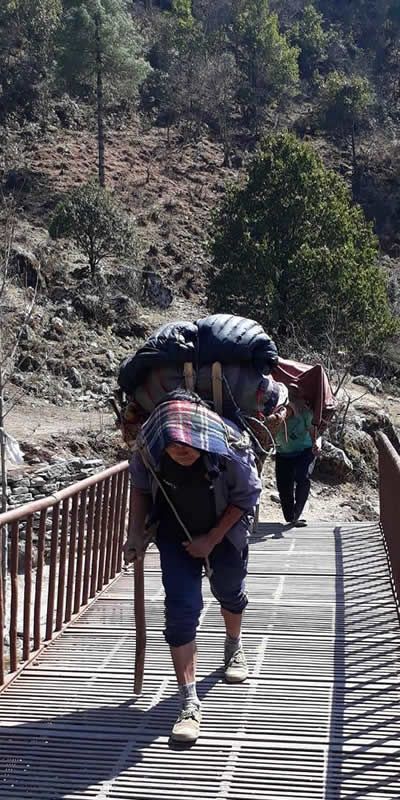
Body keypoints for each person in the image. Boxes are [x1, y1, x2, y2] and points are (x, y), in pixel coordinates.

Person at [123, 391, 261, 744]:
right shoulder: (149, 447)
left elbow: (246, 498)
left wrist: (212, 540)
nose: (180, 449)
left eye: (188, 442)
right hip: (175, 537)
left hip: (225, 534)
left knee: (229, 590)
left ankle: (233, 644)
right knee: (181, 611)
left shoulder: (231, 448)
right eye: (173, 442)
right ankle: (188, 702)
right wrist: (135, 534)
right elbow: (140, 489)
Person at [274, 383, 321, 527]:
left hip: (304, 451)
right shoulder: (275, 417)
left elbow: (316, 434)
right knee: (283, 486)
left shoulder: (305, 414)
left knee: (302, 477)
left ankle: (296, 515)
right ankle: (290, 517)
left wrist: (317, 444)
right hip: (283, 454)